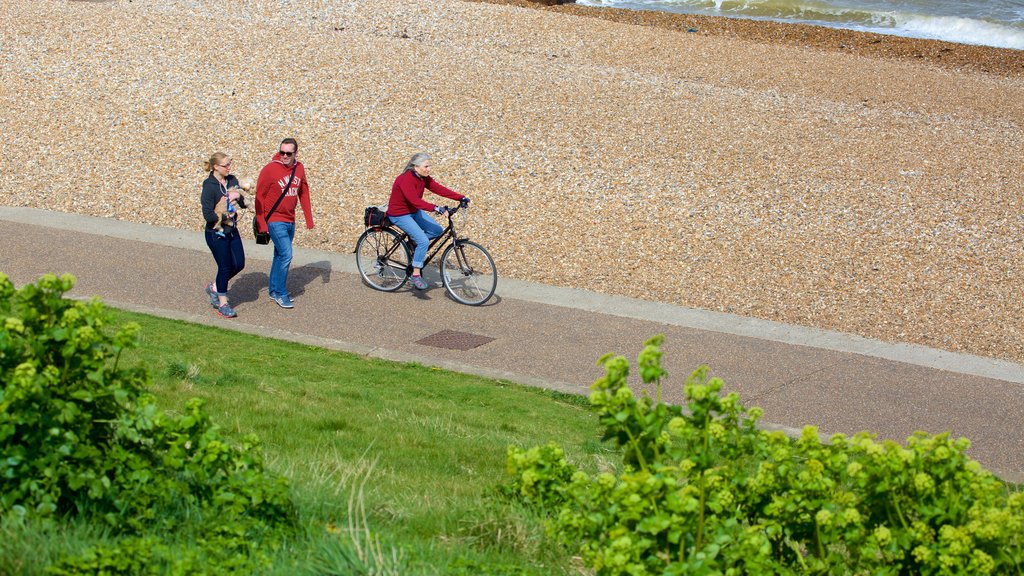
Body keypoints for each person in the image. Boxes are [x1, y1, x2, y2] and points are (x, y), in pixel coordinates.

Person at [387, 152, 469, 290]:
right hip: (400, 214)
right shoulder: (405, 179)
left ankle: (412, 244)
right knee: (423, 241)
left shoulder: (422, 177)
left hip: (413, 211)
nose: (428, 169)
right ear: (415, 167)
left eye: (429, 166)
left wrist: (460, 197)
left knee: (437, 231)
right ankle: (416, 274)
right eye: (426, 166)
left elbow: (438, 188)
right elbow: (414, 200)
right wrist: (435, 208)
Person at [255, 138, 315, 309]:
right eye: (282, 152)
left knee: (279, 255)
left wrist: (309, 218)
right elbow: (259, 196)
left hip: (290, 220)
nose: (285, 156)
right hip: (275, 220)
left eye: (289, 153)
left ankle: (273, 290)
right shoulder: (270, 169)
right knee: (287, 255)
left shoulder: (300, 168)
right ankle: (281, 293)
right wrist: (262, 223)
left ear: (296, 153)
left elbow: (303, 192)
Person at [200, 152, 245, 318]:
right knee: (225, 267)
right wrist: (226, 215)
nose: (229, 168)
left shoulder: (232, 180)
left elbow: (242, 203)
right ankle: (223, 303)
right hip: (216, 232)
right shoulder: (209, 186)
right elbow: (208, 215)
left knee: (239, 264)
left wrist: (238, 196)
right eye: (226, 165)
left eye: (229, 164)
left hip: (232, 230)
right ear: (215, 167)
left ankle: (215, 287)